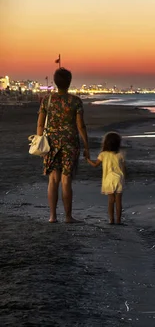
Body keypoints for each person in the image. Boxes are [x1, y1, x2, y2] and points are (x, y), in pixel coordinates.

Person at [37, 68, 90, 223]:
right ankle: (68, 216)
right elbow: (81, 126)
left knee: (53, 180)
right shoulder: (75, 101)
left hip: (51, 143)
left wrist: (40, 142)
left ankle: (52, 216)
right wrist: (86, 146)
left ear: (55, 81)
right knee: (66, 180)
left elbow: (40, 124)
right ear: (69, 82)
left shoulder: (47, 100)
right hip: (70, 143)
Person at [86, 132, 126, 225]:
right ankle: (119, 220)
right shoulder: (120, 154)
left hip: (108, 179)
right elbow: (123, 169)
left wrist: (88, 159)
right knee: (119, 201)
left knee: (111, 201)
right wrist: (124, 179)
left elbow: (95, 165)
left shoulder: (103, 154)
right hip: (119, 178)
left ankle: (111, 220)